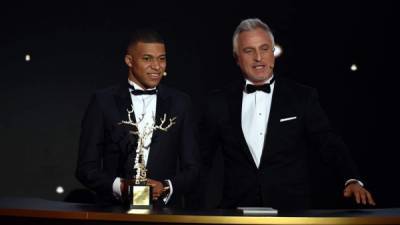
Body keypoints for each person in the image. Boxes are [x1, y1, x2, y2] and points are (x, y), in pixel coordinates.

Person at [200, 18, 375, 210]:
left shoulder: (302, 97)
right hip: (237, 211)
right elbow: (201, 160)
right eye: (249, 51)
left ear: (273, 53)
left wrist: (350, 179)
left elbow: (328, 142)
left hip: (291, 211)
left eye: (265, 48)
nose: (258, 57)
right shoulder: (218, 102)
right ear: (236, 58)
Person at [76, 29, 200, 208]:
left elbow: (193, 168)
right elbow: (85, 168)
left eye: (162, 58)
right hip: (113, 212)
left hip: (164, 214)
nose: (157, 66)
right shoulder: (103, 101)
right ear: (129, 61)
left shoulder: (181, 103)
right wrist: (121, 186)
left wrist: (166, 187)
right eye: (147, 58)